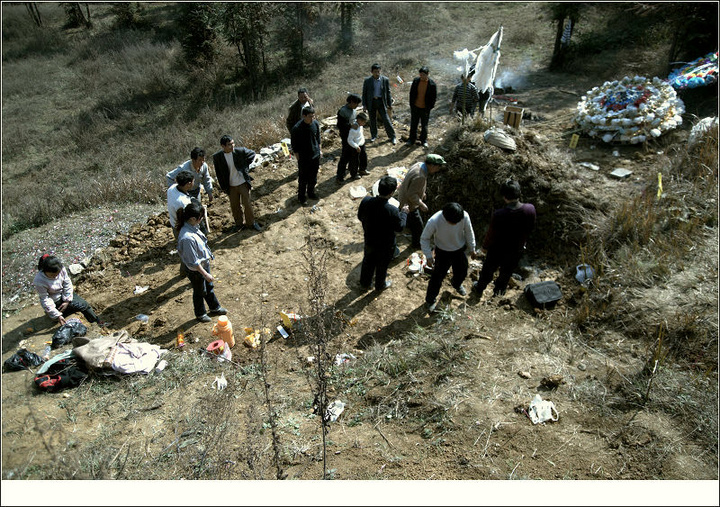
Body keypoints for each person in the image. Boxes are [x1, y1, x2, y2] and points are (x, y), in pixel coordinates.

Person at [473, 180, 536, 298]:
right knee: (506, 271)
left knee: (488, 269)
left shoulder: (499, 214)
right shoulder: (530, 209)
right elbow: (530, 228)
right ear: (519, 193)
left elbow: (491, 234)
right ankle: (499, 292)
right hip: (516, 248)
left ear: (504, 197)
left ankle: (480, 287)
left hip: (497, 248)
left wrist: (484, 248)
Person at [421, 202, 477, 313]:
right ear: (445, 216)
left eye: (456, 222)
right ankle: (430, 300)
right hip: (442, 252)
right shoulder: (434, 220)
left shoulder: (464, 216)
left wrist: (472, 248)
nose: (454, 224)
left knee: (462, 272)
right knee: (437, 278)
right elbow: (424, 238)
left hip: (459, 249)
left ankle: (456, 284)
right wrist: (428, 256)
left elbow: (469, 232)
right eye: (452, 222)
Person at [177, 199, 227, 323]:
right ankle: (200, 314)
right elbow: (194, 262)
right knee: (200, 291)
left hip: (203, 265)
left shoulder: (193, 227)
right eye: (200, 217)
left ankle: (214, 307)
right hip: (197, 270)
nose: (202, 220)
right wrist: (205, 274)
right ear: (192, 219)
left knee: (209, 287)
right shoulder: (187, 238)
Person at [357, 176, 408, 291]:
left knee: (368, 261)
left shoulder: (366, 201)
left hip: (369, 239)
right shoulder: (392, 210)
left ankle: (365, 283)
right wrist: (404, 213)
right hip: (385, 244)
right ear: (392, 192)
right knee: (382, 266)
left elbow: (360, 216)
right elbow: (400, 228)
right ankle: (380, 285)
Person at [34, 254, 105, 326]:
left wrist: (67, 300)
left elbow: (67, 283)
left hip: (65, 293)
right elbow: (45, 299)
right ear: (45, 271)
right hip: (55, 300)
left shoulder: (61, 269)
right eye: (52, 275)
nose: (55, 277)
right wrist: (57, 315)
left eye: (57, 275)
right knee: (59, 314)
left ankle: (95, 321)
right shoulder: (39, 281)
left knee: (84, 305)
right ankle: (57, 313)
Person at [212, 135, 262, 233]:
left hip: (242, 182)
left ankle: (251, 223)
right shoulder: (218, 157)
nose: (232, 146)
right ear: (223, 146)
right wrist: (223, 187)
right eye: (229, 144)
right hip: (230, 185)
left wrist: (244, 167)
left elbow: (252, 153)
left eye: (233, 143)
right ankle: (239, 224)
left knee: (247, 204)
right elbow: (218, 173)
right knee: (235, 206)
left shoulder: (240, 151)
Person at [397, 153, 446, 249]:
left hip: (403, 196)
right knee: (418, 227)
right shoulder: (420, 176)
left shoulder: (419, 165)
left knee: (411, 221)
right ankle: (417, 244)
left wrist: (422, 193)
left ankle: (407, 225)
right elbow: (411, 194)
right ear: (432, 165)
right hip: (408, 203)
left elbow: (414, 186)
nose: (438, 170)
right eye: (438, 167)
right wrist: (421, 204)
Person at [290, 105, 322, 205]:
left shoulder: (315, 124)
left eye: (313, 116)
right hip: (304, 158)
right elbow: (294, 146)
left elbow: (318, 138)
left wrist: (319, 151)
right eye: (310, 116)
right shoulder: (297, 129)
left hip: (315, 155)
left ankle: (311, 193)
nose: (312, 118)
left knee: (313, 177)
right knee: (303, 179)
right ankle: (301, 197)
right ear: (304, 116)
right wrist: (299, 158)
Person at [362, 63, 397, 145]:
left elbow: (388, 92)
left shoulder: (385, 80)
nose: (377, 73)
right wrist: (364, 105)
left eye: (378, 71)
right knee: (372, 120)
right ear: (372, 72)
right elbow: (364, 93)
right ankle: (374, 135)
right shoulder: (367, 81)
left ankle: (392, 137)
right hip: (371, 102)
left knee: (386, 119)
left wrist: (389, 104)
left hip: (381, 102)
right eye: (375, 72)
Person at [406, 66, 437, 148]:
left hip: (425, 108)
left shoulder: (432, 84)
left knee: (424, 125)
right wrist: (411, 105)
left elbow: (434, 98)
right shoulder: (416, 81)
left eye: (423, 75)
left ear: (427, 74)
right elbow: (411, 93)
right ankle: (411, 140)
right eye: (420, 74)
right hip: (415, 107)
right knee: (413, 124)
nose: (421, 76)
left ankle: (424, 140)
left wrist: (429, 107)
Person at [336, 93, 362, 183]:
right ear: (351, 102)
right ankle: (340, 176)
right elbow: (340, 125)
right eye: (356, 103)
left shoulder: (354, 110)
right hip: (346, 136)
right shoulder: (343, 111)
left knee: (354, 156)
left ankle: (353, 173)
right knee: (345, 157)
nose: (357, 106)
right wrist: (350, 126)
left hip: (353, 136)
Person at [167, 170, 197, 238]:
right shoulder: (183, 202)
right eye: (193, 181)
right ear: (189, 184)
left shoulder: (172, 188)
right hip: (182, 228)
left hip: (174, 223)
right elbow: (189, 220)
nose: (194, 183)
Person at [347, 112, 369, 179]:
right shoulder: (353, 129)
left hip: (361, 144)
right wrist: (356, 146)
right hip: (355, 147)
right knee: (355, 161)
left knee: (363, 158)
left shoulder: (360, 126)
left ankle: (362, 169)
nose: (364, 124)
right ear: (359, 120)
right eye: (364, 122)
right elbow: (349, 140)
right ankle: (354, 174)